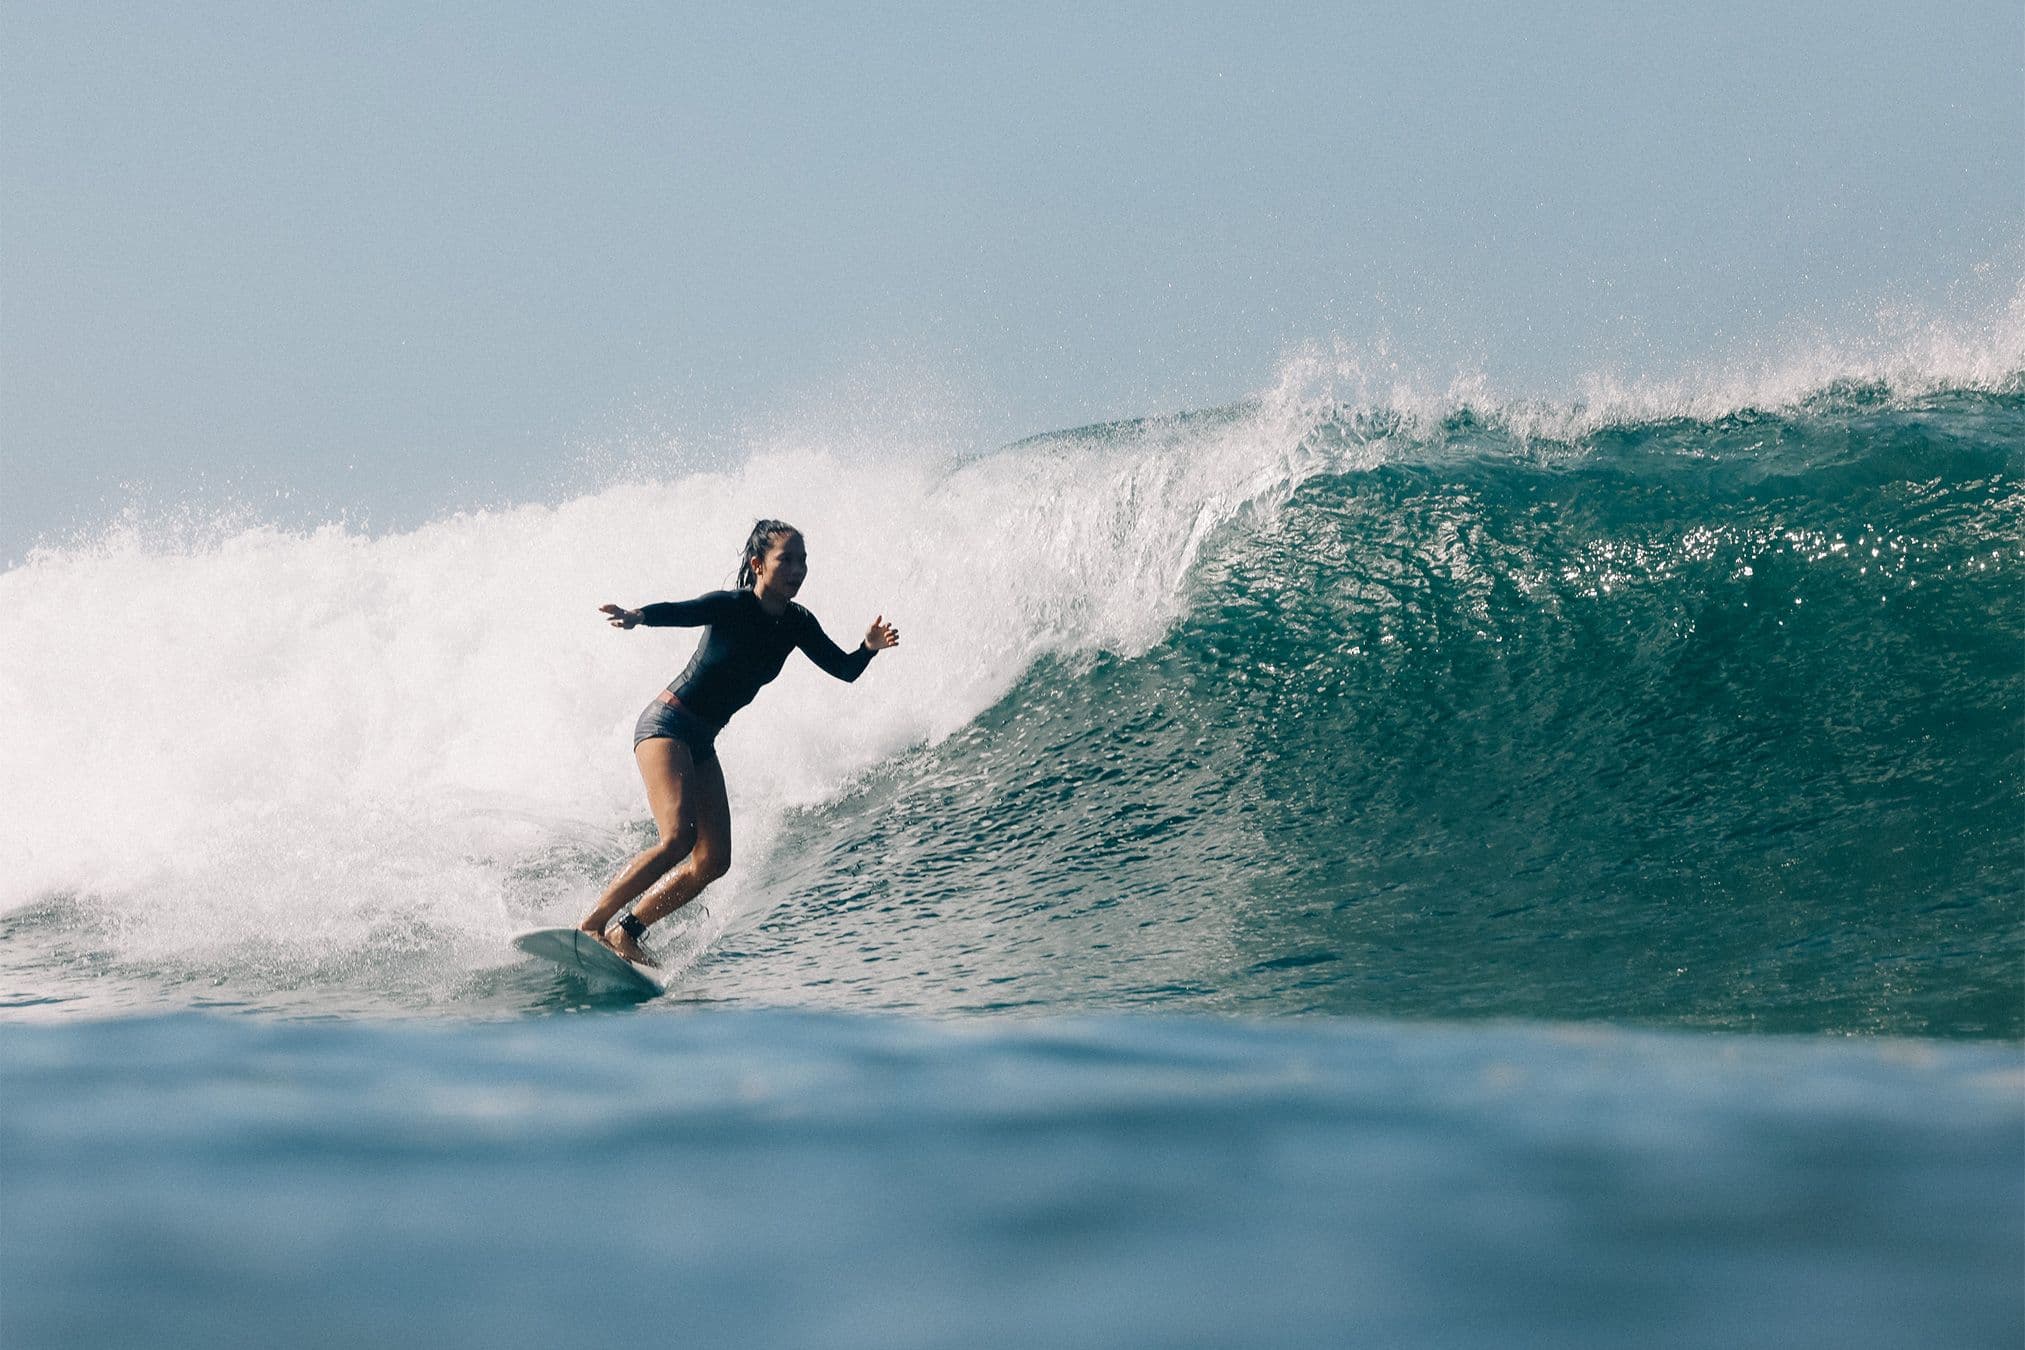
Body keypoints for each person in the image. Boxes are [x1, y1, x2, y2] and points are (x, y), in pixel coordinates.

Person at [580, 519, 899, 964]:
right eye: (785, 559)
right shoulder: (732, 606)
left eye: (803, 560)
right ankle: (592, 925)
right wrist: (639, 616)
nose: (797, 568)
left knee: (714, 859)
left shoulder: (798, 624)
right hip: (668, 724)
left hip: (702, 740)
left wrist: (867, 647)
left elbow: (843, 669)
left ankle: (626, 932)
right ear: (758, 564)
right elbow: (684, 610)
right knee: (677, 839)